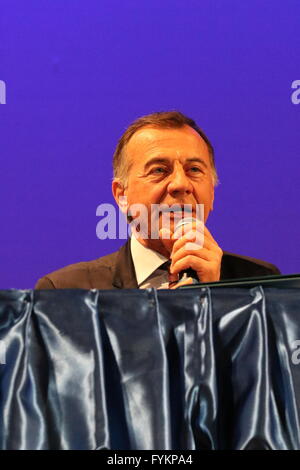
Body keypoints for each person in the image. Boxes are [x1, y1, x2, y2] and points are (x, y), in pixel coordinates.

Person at [35, 111, 280, 290]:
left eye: (194, 169)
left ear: (212, 193)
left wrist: (215, 297)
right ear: (122, 195)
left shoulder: (260, 284)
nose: (181, 184)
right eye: (159, 170)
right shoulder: (66, 291)